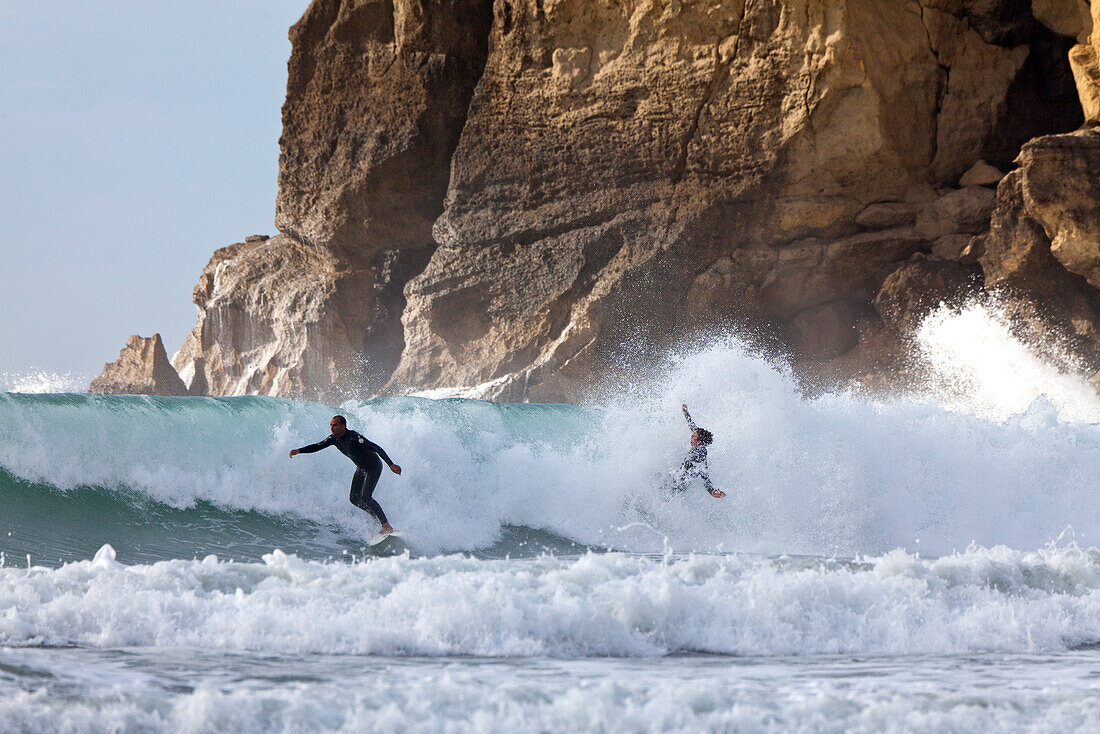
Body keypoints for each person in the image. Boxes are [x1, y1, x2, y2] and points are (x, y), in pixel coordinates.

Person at [290, 415, 402, 533]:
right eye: (331, 426)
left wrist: (391, 464)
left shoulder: (355, 437)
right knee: (354, 498)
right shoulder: (333, 439)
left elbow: (377, 448)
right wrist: (299, 450)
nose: (332, 428)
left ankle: (386, 526)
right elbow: (317, 446)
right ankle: (377, 518)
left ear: (343, 426)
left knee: (366, 497)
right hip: (361, 468)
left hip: (373, 466)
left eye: (335, 425)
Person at [675, 404, 725, 498]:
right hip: (675, 478)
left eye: (694, 437)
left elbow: (705, 476)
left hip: (678, 487)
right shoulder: (698, 445)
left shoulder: (700, 455)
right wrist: (686, 413)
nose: (691, 436)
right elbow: (692, 426)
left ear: (699, 442)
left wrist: (711, 491)